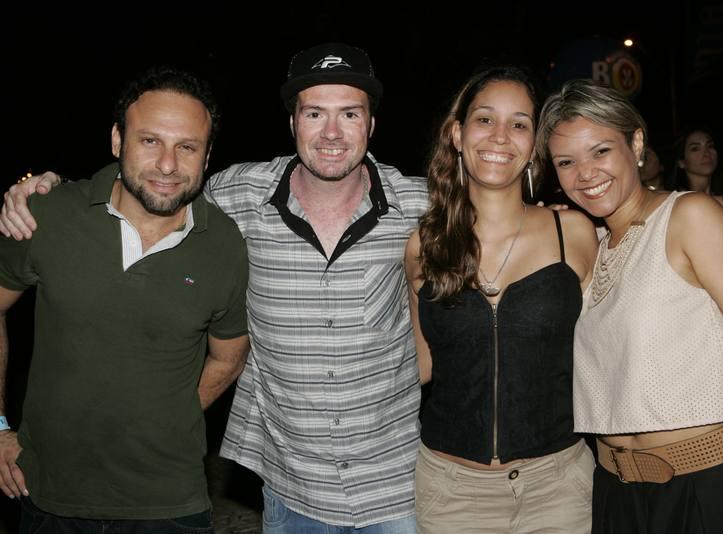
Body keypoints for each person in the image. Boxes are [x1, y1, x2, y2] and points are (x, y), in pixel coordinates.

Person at [0, 42, 427, 533]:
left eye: (349, 113)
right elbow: (152, 186)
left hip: (395, 487)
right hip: (293, 490)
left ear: (371, 124)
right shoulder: (239, 195)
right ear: (293, 122)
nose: (331, 132)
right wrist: (43, 186)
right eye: (314, 113)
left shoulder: (421, 207)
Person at [535, 79, 723, 534]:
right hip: (616, 492)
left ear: (636, 144)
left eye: (600, 151)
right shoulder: (591, 244)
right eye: (566, 162)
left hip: (707, 485)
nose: (585, 173)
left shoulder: (689, 216)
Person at [0, 66, 250, 532]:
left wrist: (165, 416)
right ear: (117, 140)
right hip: (51, 497)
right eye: (150, 141)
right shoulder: (49, 215)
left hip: (170, 505)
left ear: (208, 155)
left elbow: (229, 356)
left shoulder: (225, 244)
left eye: (187, 147)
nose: (168, 165)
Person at [405, 66, 597, 533]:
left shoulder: (572, 232)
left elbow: (607, 346)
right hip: (450, 494)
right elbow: (419, 364)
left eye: (519, 124)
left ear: (534, 145)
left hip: (558, 488)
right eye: (485, 119)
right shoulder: (424, 246)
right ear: (457, 134)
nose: (500, 136)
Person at [666, 127, 718, 194]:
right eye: (695, 149)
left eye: (710, 146)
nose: (707, 153)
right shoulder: (680, 198)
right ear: (681, 162)